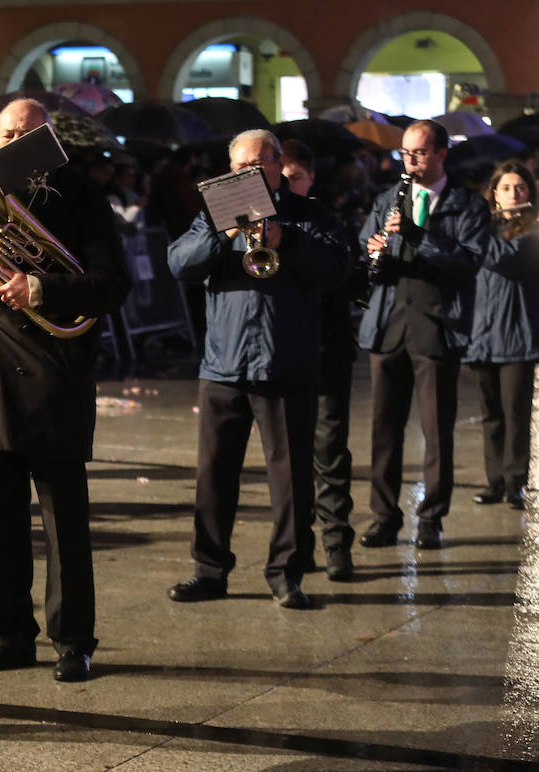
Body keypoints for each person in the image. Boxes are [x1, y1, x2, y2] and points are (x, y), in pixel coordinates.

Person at [0, 98, 130, 681]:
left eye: (28, 134)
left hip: (54, 370)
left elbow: (111, 284)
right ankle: (9, 636)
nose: (13, 143)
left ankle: (72, 640)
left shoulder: (80, 196)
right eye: (4, 134)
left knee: (64, 522)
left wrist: (43, 288)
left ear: (50, 139)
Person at [167, 130, 349, 610]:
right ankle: (209, 570)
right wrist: (221, 235)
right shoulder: (212, 212)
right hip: (224, 365)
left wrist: (284, 239)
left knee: (290, 481)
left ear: (276, 163)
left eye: (257, 164)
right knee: (213, 476)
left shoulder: (309, 213)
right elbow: (179, 263)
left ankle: (286, 574)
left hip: (285, 363)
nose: (246, 173)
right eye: (238, 166)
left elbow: (336, 269)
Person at [358, 120, 489, 551]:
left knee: (437, 430)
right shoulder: (386, 199)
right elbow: (365, 251)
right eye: (404, 153)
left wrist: (420, 237)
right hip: (389, 323)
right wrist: (375, 251)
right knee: (384, 430)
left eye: (418, 153)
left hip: (436, 326)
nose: (409, 161)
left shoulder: (466, 204)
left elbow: (468, 261)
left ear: (440, 154)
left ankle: (431, 517)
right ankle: (383, 516)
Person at [281, 140, 357, 581]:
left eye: (295, 177)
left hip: (327, 348)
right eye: (283, 177)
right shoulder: (261, 220)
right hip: (288, 352)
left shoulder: (327, 219)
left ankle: (336, 543)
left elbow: (339, 277)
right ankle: (300, 547)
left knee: (330, 452)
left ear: (309, 179)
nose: (287, 184)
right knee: (291, 458)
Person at [464, 162, 538, 509]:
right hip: (482, 333)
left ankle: (515, 482)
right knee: (490, 413)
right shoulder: (485, 227)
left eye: (520, 187)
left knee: (515, 413)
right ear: (494, 193)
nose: (513, 193)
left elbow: (502, 258)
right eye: (506, 187)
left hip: (518, 335)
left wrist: (473, 232)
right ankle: (494, 481)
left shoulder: (533, 230)